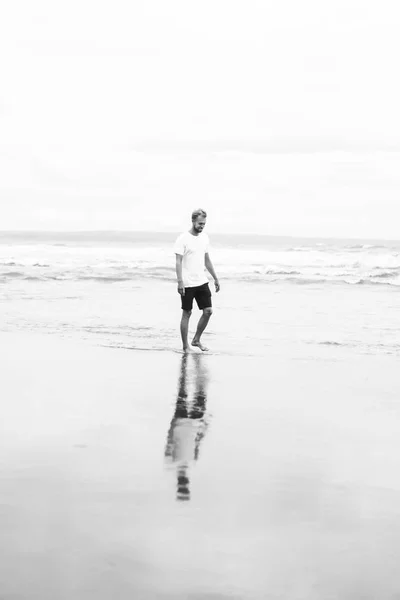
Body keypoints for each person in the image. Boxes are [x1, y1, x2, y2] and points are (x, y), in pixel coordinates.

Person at [174, 208, 220, 352]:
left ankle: (196, 340)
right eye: (200, 223)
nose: (202, 226)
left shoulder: (204, 238)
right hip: (187, 283)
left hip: (202, 281)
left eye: (204, 224)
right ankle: (185, 346)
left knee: (208, 311)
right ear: (193, 221)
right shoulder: (183, 239)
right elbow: (178, 262)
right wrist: (180, 281)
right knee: (187, 313)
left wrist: (215, 278)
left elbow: (207, 260)